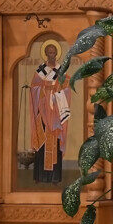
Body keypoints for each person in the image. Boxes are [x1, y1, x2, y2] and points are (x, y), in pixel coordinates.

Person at [30, 43, 72, 184]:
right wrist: (43, 90)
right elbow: (33, 88)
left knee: (55, 142)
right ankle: (40, 177)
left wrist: (56, 94)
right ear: (46, 54)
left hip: (55, 112)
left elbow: (67, 89)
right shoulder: (40, 71)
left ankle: (54, 177)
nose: (51, 55)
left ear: (56, 54)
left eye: (54, 52)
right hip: (42, 111)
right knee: (42, 142)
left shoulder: (62, 71)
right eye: (49, 52)